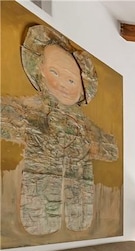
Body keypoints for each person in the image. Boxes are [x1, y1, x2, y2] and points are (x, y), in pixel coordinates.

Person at [1, 25, 118, 235]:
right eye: (54, 72)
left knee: (77, 213)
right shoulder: (29, 109)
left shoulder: (85, 124)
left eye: (71, 80)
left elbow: (111, 151)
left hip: (80, 199)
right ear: (39, 71)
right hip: (36, 198)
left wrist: (86, 146)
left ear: (82, 90)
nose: (62, 84)